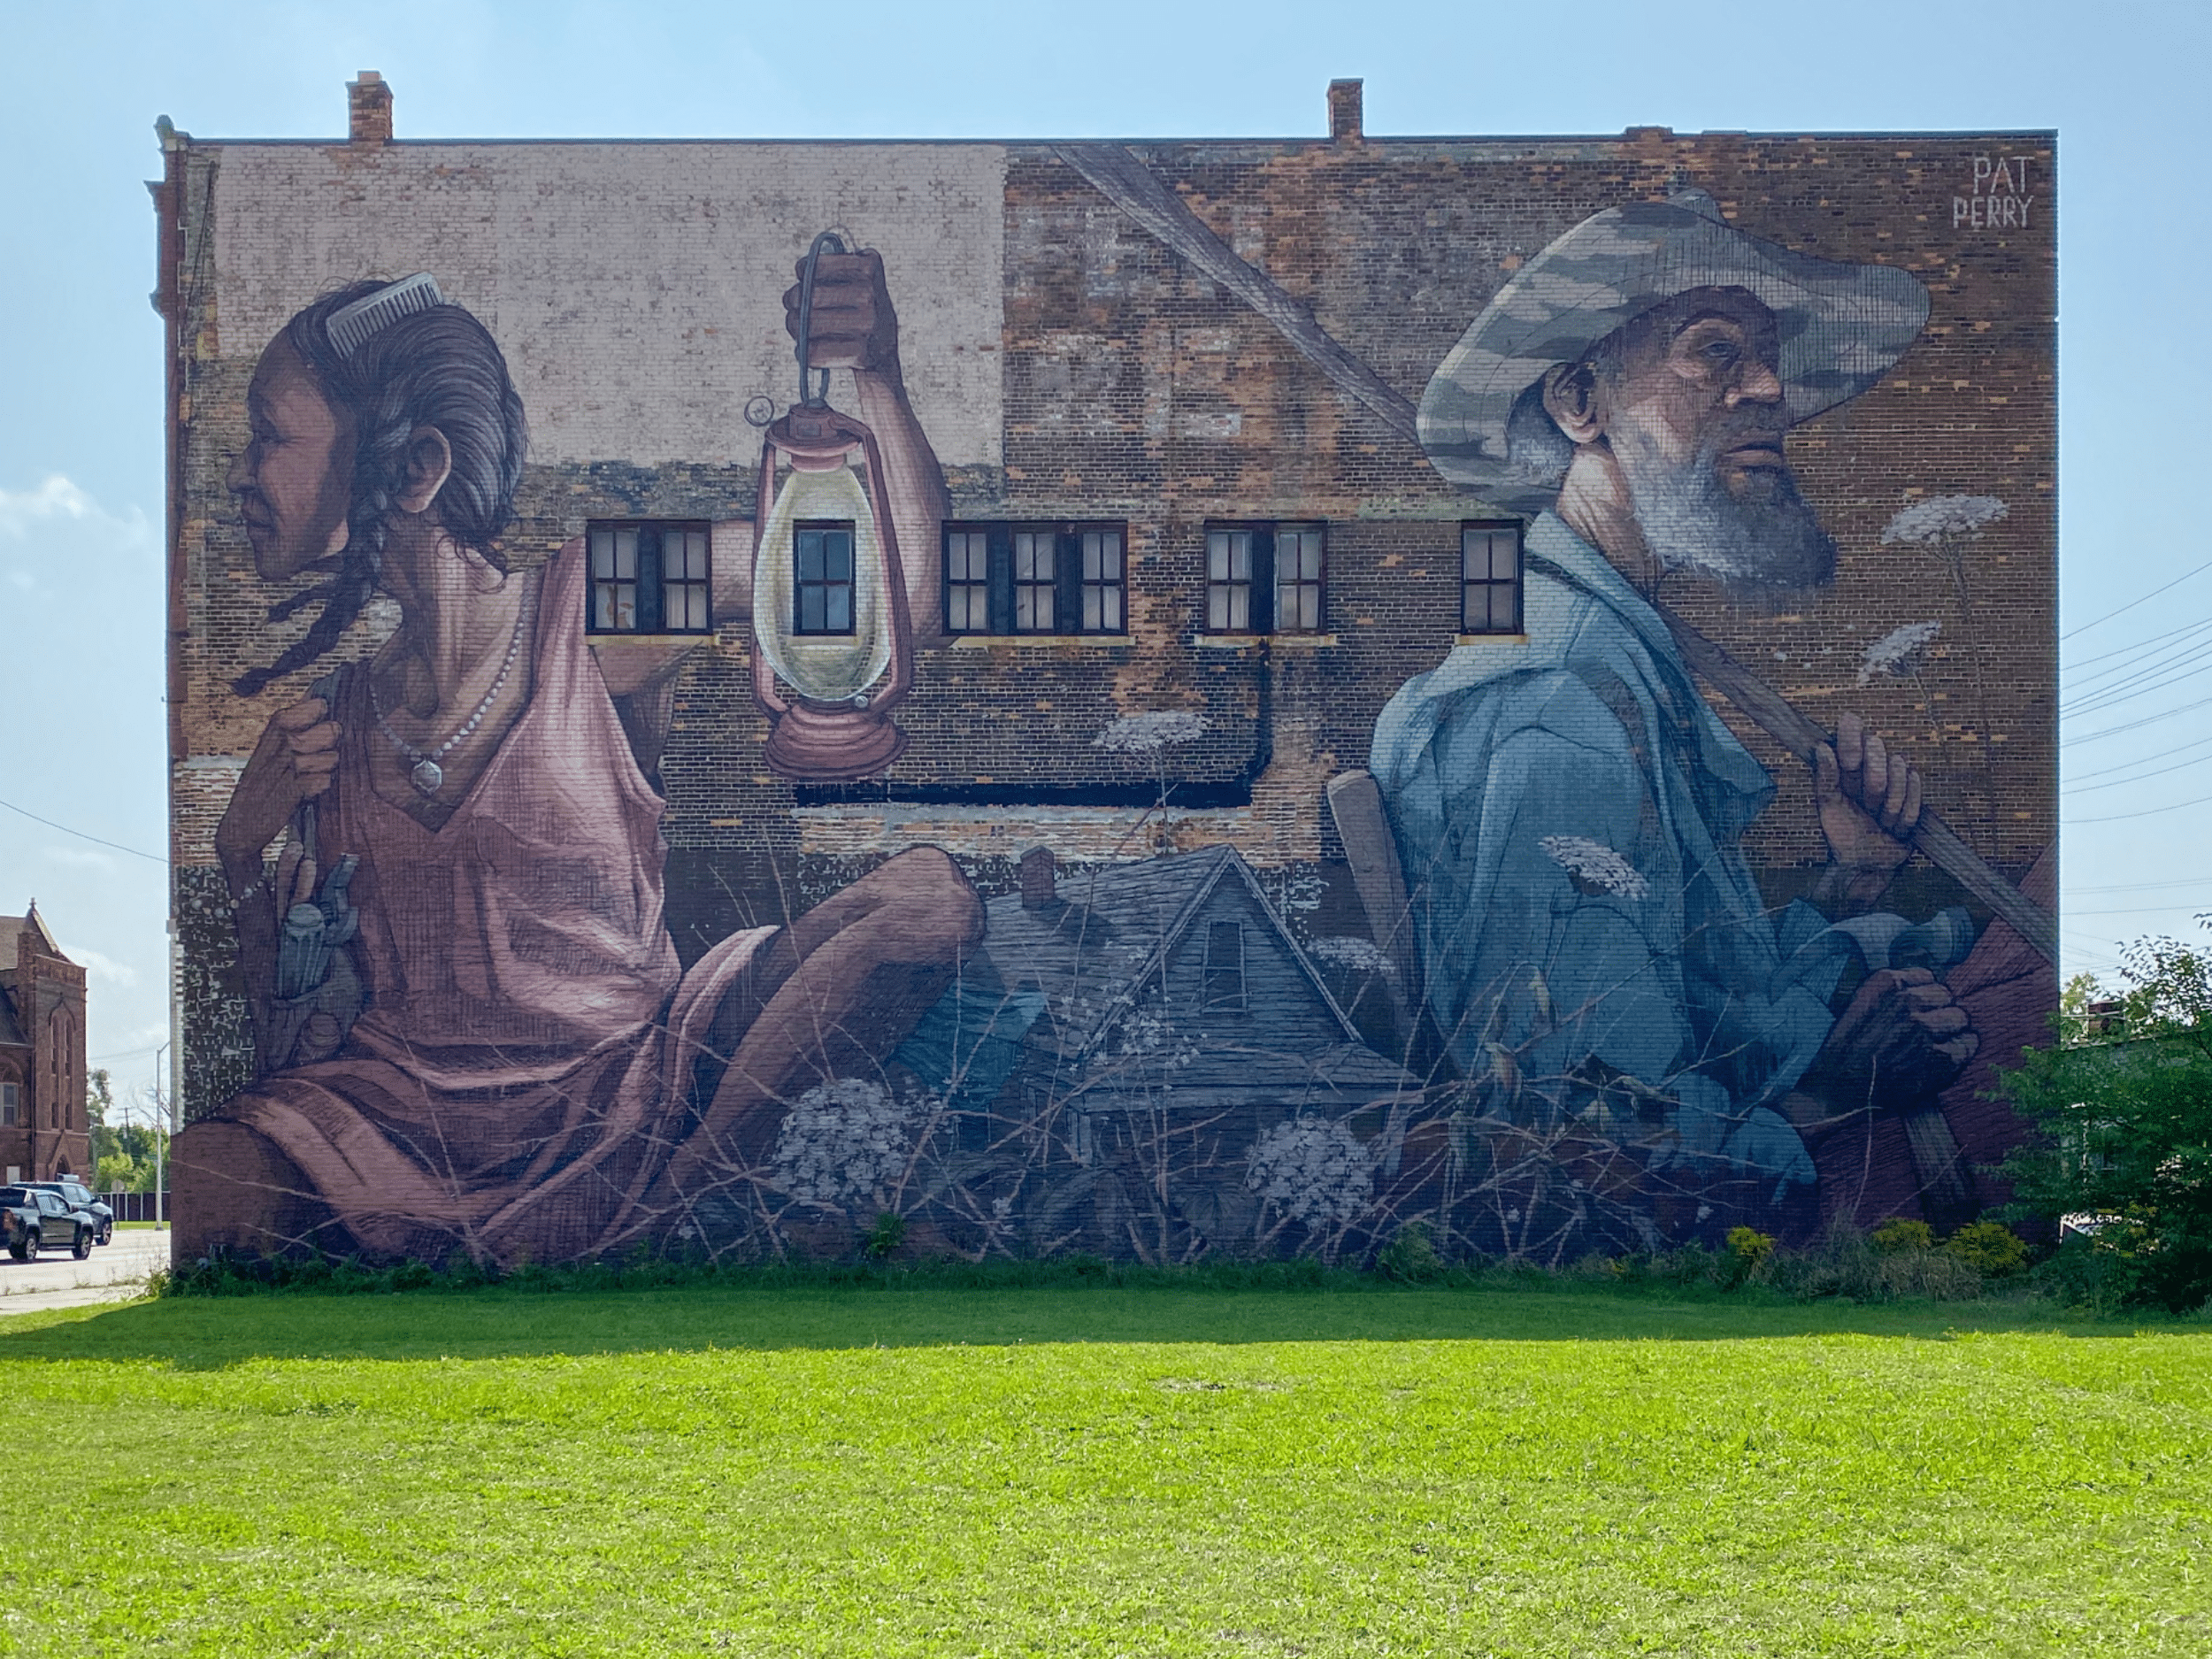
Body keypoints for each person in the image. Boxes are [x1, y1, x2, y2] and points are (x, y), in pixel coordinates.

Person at [174, 260, 981, 1264]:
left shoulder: (598, 601)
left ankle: (658, 1215)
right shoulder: (330, 729)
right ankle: (595, 1232)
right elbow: (294, 1048)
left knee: (927, 903)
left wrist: (879, 376)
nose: (245, 476)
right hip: (400, 1120)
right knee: (206, 1179)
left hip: (635, 1083)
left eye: (271, 437)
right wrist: (241, 854)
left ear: (418, 468)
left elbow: (902, 596)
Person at [1375, 191, 1996, 1236]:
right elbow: (1584, 1121)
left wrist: (1855, 878)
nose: (1768, 390)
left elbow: (1691, 986)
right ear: (1582, 404)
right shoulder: (1560, 704)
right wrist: (1832, 1091)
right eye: (1713, 354)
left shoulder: (1609, 645)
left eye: (1767, 359)